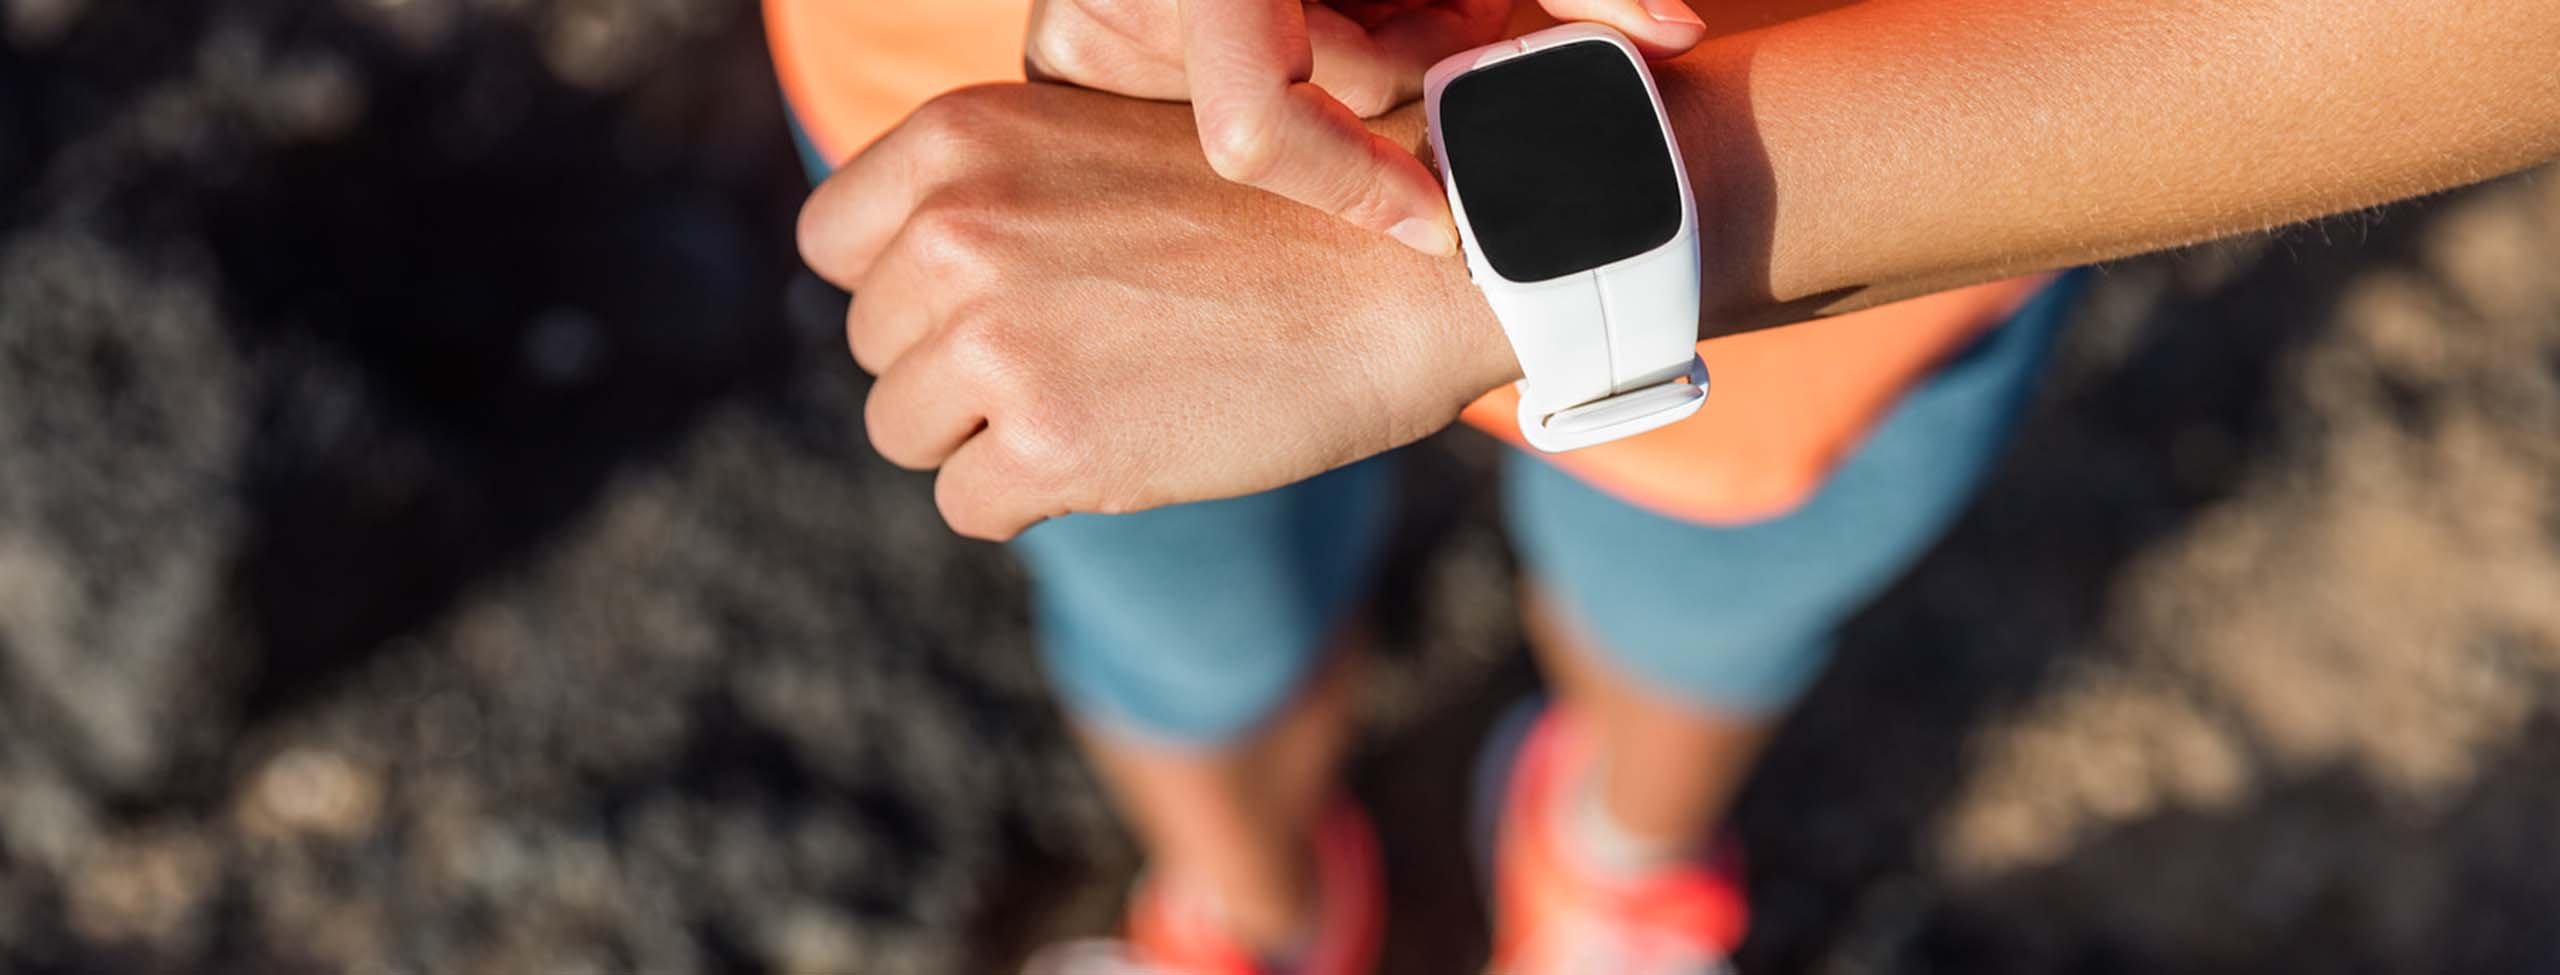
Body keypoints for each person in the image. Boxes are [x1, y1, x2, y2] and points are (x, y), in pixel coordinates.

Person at [774, 1, 2560, 972]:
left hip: (1865, 170)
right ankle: (1245, 909)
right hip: (1014, 107)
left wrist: (1483, 266)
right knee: (1175, 615)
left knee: (1702, 619)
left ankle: (1615, 864)